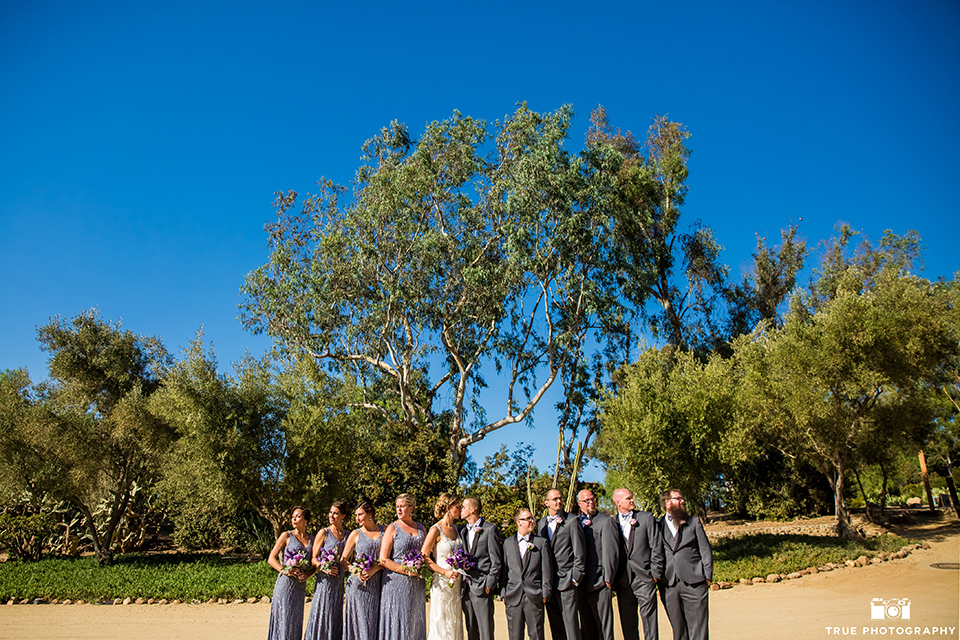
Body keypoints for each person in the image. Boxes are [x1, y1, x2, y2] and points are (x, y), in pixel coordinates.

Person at [658, 489, 712, 640]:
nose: (682, 501)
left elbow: (705, 550)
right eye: (678, 498)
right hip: (668, 584)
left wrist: (707, 576)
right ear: (667, 502)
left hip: (694, 582)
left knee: (698, 630)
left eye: (682, 498)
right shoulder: (657, 525)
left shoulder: (694, 522)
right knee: (678, 629)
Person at [612, 488, 663, 640]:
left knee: (650, 623)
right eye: (628, 498)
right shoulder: (611, 523)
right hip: (623, 581)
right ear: (618, 503)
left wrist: (655, 574)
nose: (632, 500)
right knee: (628, 625)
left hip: (645, 578)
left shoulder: (646, 518)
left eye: (632, 497)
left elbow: (656, 547)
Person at [378, 493, 427, 640]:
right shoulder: (392, 528)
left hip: (417, 582)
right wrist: (406, 570)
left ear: (411, 508)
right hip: (396, 582)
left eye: (402, 506)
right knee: (398, 620)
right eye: (397, 506)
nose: (399, 509)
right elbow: (383, 559)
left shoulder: (421, 527)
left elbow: (425, 553)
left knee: (415, 620)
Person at [538, 488, 585, 640]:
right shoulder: (541, 523)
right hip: (549, 582)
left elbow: (580, 551)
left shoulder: (572, 521)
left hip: (567, 580)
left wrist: (575, 577)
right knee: (556, 625)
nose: (559, 501)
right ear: (546, 503)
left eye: (560, 498)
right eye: (554, 499)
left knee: (571, 624)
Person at [501, 507, 554, 640]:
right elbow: (504, 570)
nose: (532, 521)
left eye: (532, 519)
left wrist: (545, 593)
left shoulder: (541, 543)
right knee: (514, 636)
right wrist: (503, 593)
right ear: (518, 522)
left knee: (536, 635)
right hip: (513, 597)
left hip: (535, 596)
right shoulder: (507, 543)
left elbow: (546, 570)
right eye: (528, 519)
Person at [266, 506, 314, 640]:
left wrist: (308, 574)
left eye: (298, 516)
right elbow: (271, 558)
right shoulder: (286, 535)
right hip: (285, 584)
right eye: (293, 516)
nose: (294, 518)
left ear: (305, 520)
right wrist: (284, 571)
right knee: (284, 618)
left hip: (300, 586)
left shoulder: (312, 539)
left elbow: (315, 562)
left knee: (295, 619)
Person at [576, 489, 618, 640]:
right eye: (586, 501)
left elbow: (611, 552)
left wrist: (608, 578)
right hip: (581, 584)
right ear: (579, 504)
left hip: (600, 582)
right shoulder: (575, 522)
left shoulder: (606, 521)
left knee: (604, 629)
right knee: (587, 628)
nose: (591, 502)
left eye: (592, 499)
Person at [458, 496, 503, 640]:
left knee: (486, 632)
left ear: (472, 510)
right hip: (465, 589)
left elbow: (496, 561)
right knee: (471, 631)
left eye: (463, 507)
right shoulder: (462, 531)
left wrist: (489, 584)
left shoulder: (490, 529)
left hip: (483, 587)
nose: (460, 510)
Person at [423, 493, 466, 640]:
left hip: (456, 584)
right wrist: (444, 572)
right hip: (441, 583)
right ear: (448, 508)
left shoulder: (457, 529)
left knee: (455, 619)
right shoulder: (435, 530)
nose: (460, 510)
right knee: (441, 620)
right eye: (458, 507)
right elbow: (424, 558)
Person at [304, 500, 349, 640]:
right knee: (321, 612)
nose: (331, 515)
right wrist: (324, 567)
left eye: (335, 513)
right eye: (330, 512)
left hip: (339, 581)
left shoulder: (348, 535)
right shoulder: (323, 532)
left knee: (335, 614)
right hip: (324, 582)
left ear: (343, 516)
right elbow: (313, 558)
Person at [342, 498, 385, 640]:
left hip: (378, 584)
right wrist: (355, 571)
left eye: (360, 514)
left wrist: (375, 569)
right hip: (358, 585)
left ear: (370, 514)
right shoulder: (355, 533)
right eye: (356, 515)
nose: (357, 518)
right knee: (359, 623)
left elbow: (386, 558)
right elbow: (343, 560)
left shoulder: (384, 531)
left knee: (373, 622)